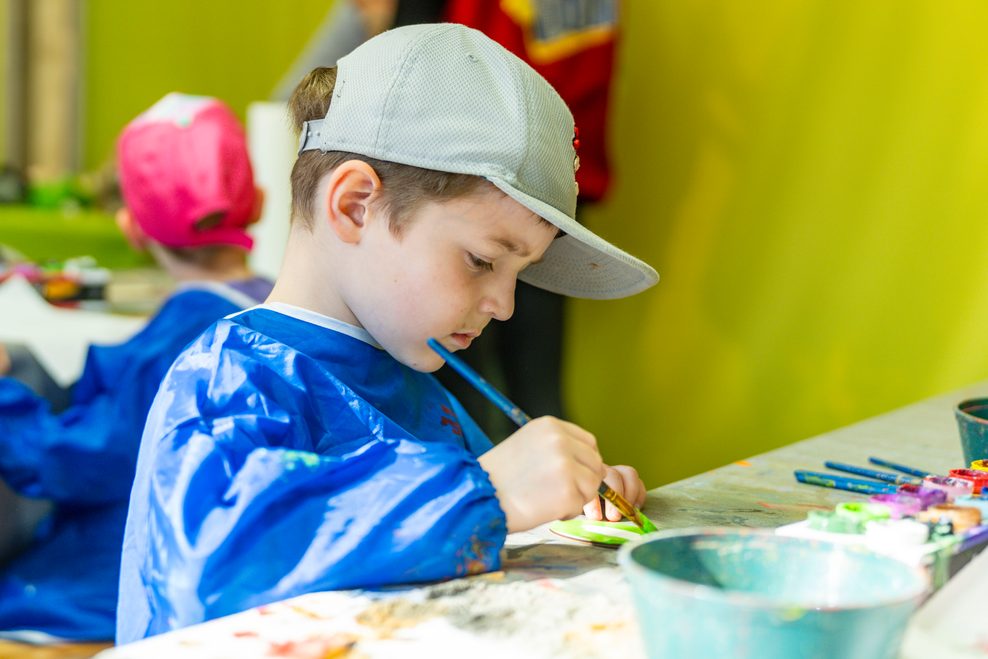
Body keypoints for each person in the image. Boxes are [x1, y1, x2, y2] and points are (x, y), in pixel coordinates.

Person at [117, 24, 659, 643]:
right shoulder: (230, 378)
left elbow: (469, 527)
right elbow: (211, 567)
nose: (504, 306)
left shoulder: (416, 383)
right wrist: (490, 494)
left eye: (520, 274)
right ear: (354, 206)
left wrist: (567, 500)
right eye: (482, 260)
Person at [0, 93, 273, 642]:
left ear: (131, 227)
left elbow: (74, 461)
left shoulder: (182, 338)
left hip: (117, 592)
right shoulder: (276, 307)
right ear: (260, 201)